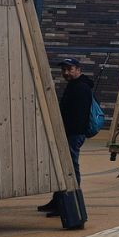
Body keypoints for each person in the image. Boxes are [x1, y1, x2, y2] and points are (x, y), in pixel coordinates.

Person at [38, 58, 94, 216]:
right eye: (64, 70)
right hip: (70, 133)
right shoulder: (74, 85)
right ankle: (58, 201)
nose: (66, 73)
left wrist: (65, 130)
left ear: (78, 70)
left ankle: (69, 205)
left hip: (73, 134)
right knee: (64, 168)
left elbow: (77, 115)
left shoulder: (81, 88)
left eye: (70, 69)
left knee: (70, 170)